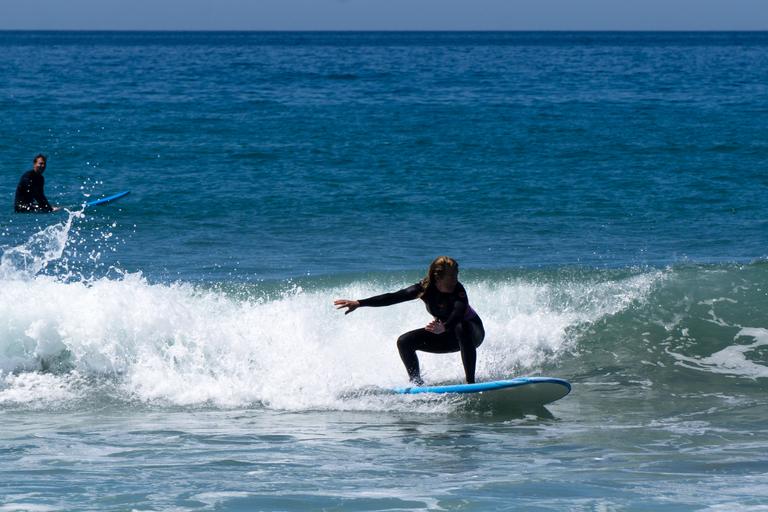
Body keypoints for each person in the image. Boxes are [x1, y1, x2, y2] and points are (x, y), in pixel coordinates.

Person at [334, 256, 485, 385]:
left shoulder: (458, 290)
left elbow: (458, 312)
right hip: (447, 335)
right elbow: (393, 297)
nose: (455, 281)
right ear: (437, 278)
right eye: (451, 277)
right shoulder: (423, 289)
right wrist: (359, 303)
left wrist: (444, 326)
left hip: (473, 334)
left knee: (461, 326)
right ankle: (417, 384)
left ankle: (470, 383)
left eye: (456, 276)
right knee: (404, 342)